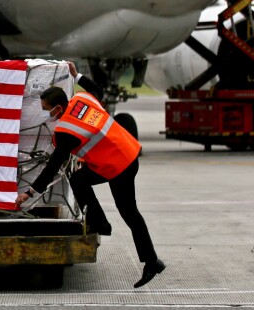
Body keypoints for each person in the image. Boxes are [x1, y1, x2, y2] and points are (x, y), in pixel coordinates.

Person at [15, 62, 165, 289]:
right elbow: (97, 89)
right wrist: (78, 76)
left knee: (129, 213)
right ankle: (99, 222)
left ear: (57, 107)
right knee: (78, 179)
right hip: (127, 152)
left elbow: (53, 165)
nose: (46, 112)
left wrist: (29, 192)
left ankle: (151, 261)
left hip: (119, 166)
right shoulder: (82, 100)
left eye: (47, 108)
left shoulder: (67, 131)